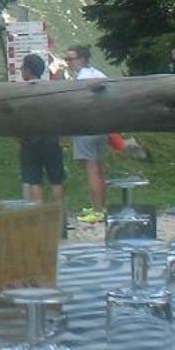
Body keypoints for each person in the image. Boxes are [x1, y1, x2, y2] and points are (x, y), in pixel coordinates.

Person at [63, 43, 110, 219]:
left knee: (91, 170)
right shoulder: (98, 74)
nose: (67, 62)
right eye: (66, 59)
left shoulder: (81, 79)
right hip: (102, 127)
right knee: (99, 169)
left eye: (70, 59)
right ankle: (101, 207)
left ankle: (97, 210)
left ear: (81, 59)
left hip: (86, 128)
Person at [16, 54, 65, 205]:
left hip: (29, 140)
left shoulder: (20, 91)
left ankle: (37, 215)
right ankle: (59, 213)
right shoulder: (50, 90)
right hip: (51, 139)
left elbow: (16, 117)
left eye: (23, 68)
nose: (21, 70)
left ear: (28, 70)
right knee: (56, 180)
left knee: (34, 180)